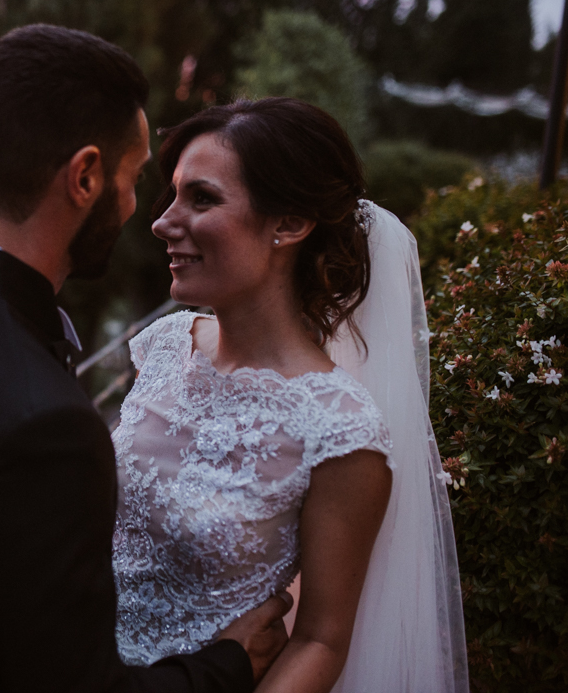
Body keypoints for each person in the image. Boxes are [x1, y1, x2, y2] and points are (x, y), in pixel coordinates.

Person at [0, 25, 292, 692]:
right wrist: (229, 663)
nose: (143, 211)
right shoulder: (47, 423)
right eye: (133, 177)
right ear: (85, 176)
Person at [112, 98, 468, 692]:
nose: (163, 222)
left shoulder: (341, 430)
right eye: (173, 196)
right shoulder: (164, 347)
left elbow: (320, 641)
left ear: (289, 224)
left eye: (201, 198)